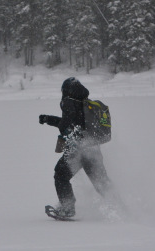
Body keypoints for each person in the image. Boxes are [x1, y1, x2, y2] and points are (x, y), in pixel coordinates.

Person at [39, 77, 111, 218]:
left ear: (66, 90)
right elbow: (74, 122)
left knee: (60, 175)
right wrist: (49, 119)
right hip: (93, 149)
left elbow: (66, 124)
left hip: (77, 150)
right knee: (102, 182)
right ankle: (121, 205)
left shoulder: (68, 102)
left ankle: (67, 208)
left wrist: (58, 129)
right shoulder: (85, 103)